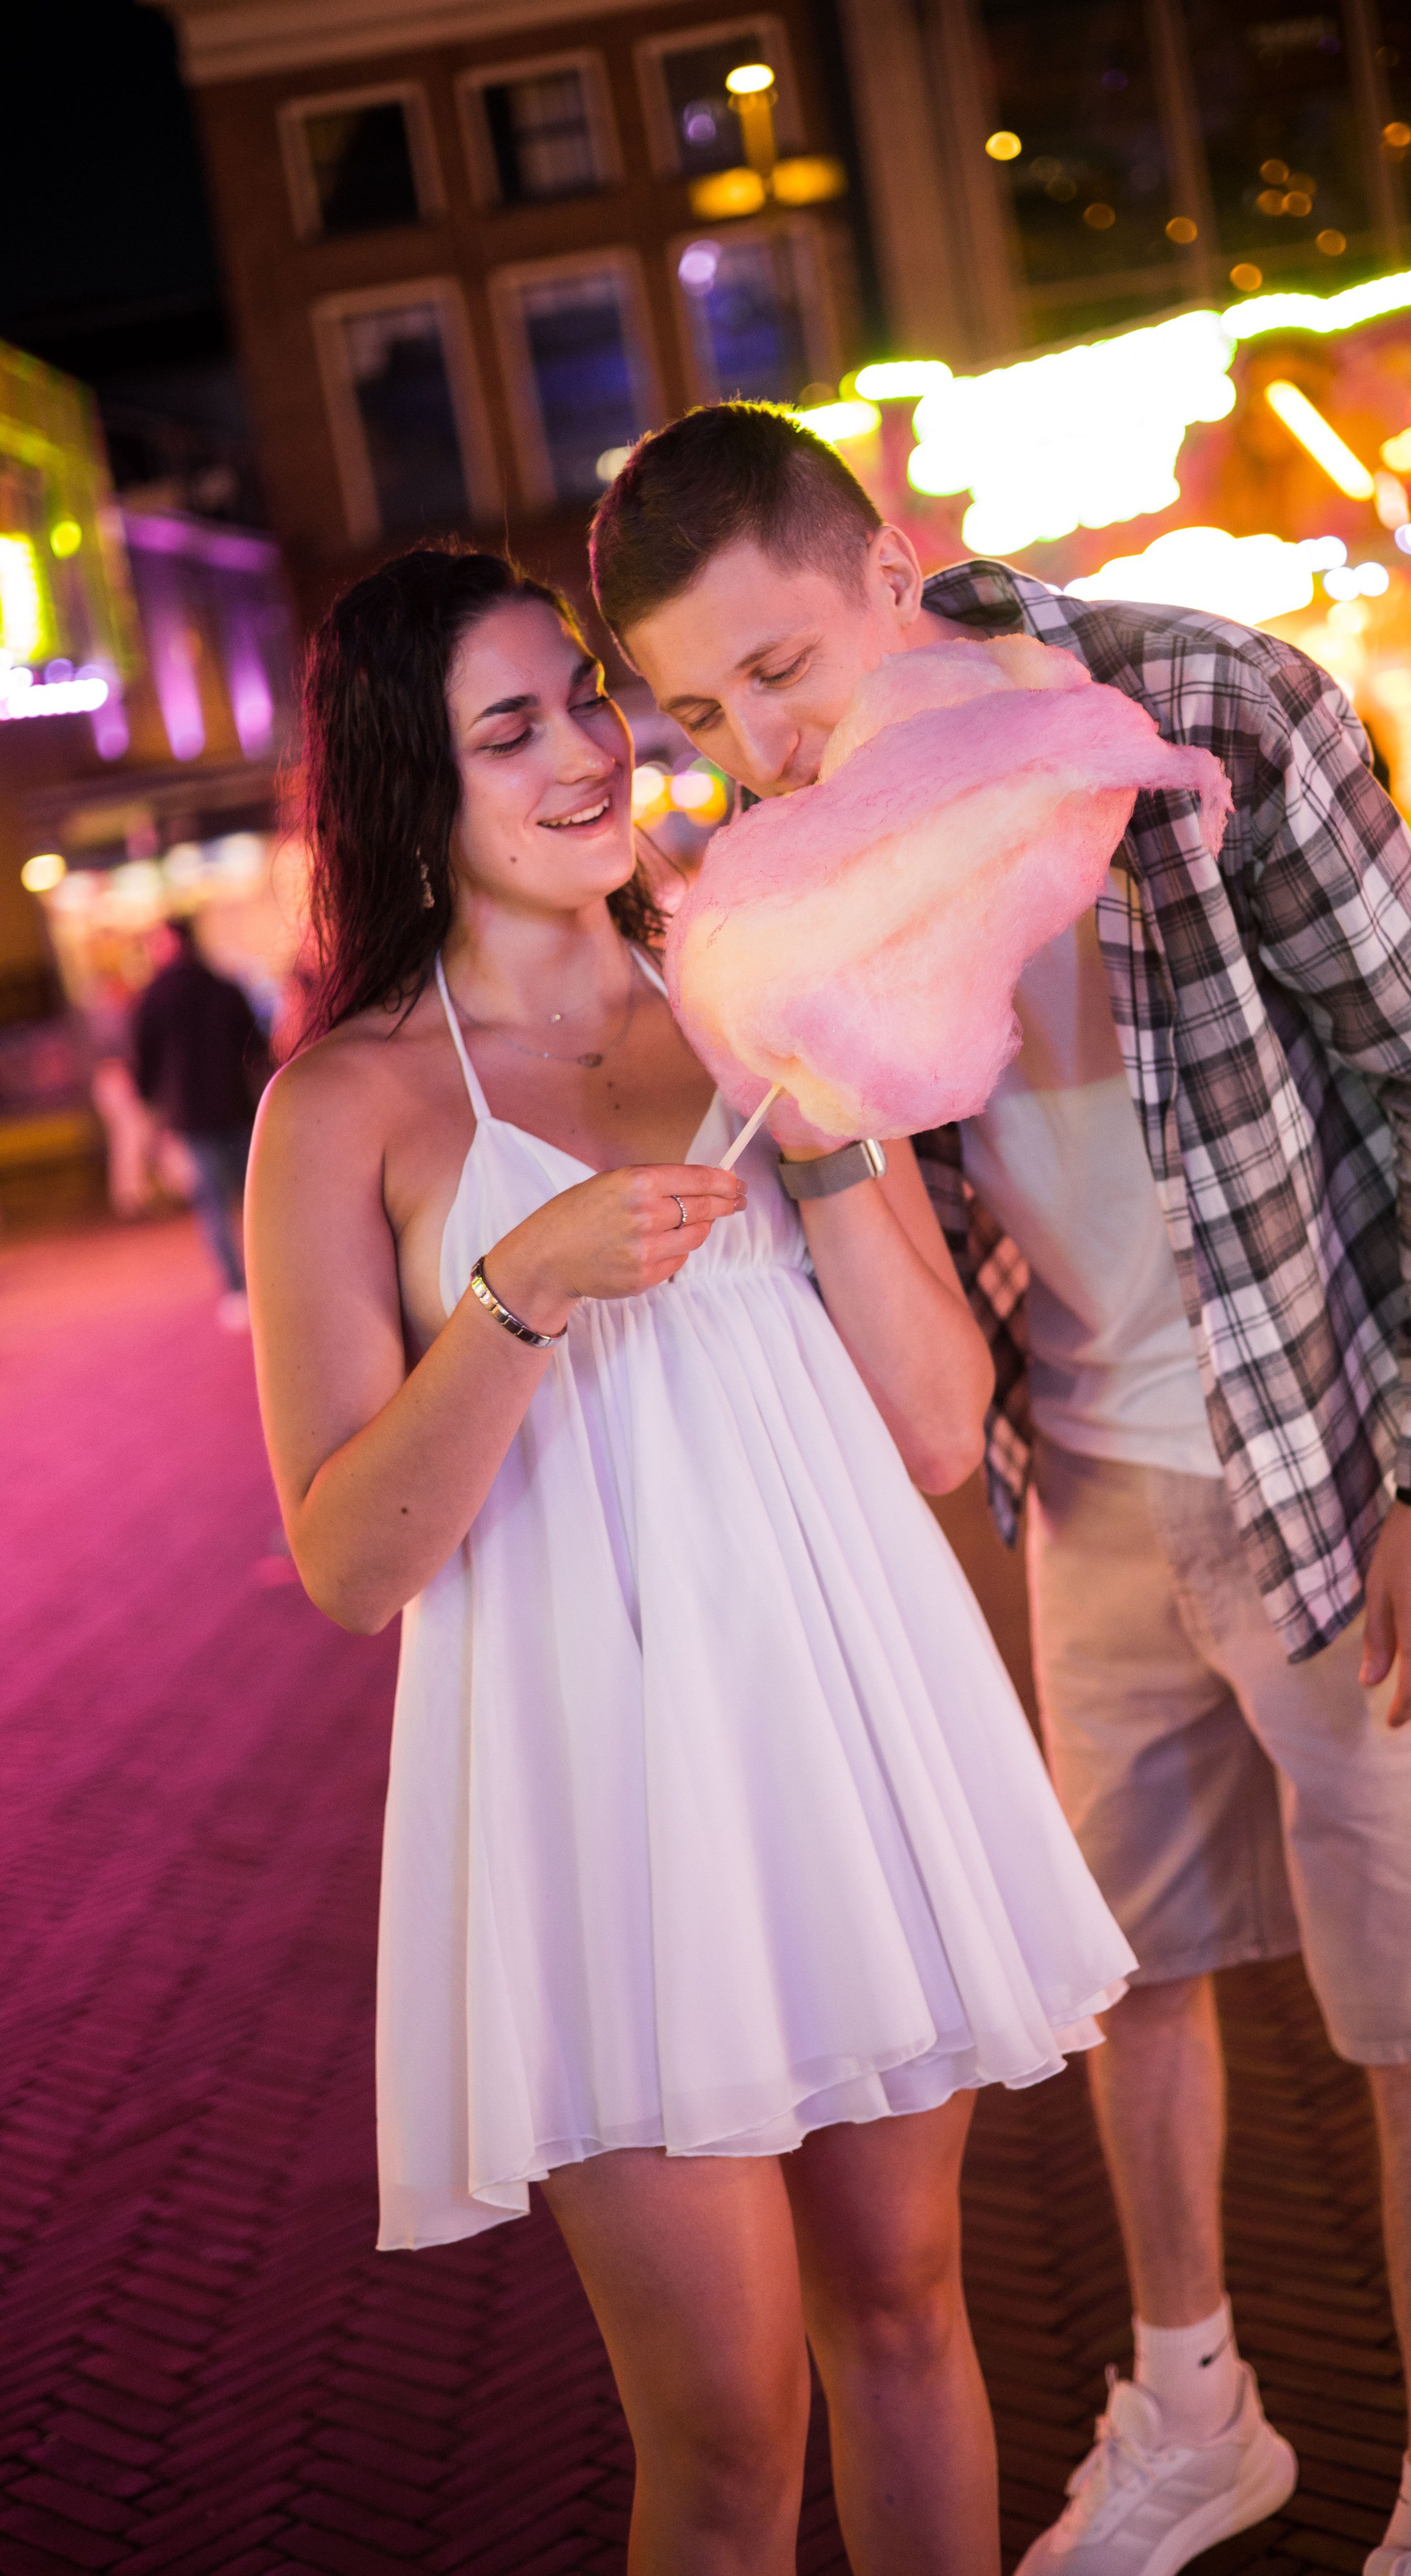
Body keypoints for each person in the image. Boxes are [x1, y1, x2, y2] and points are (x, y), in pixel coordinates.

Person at [592, 402, 1411, 2576]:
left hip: (1334, 1467)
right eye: (697, 713)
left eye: (778, 670)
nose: (757, 745)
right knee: (1130, 1978)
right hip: (1087, 1483)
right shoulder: (783, 872)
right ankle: (1194, 2413)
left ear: (888, 565)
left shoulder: (1196, 703)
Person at [244, 544, 1136, 2576]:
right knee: (726, 2428)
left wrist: (825, 1136)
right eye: (510, 727)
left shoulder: (750, 989)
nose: (587, 748)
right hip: (601, 1794)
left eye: (582, 695)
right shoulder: (346, 1106)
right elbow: (350, 1563)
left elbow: (939, 1424)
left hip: (840, 1718)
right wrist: (521, 1293)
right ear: (408, 782)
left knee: (905, 2312)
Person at [131, 913, 265, 1327]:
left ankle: (237, 1289)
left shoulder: (156, 995)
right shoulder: (223, 986)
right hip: (237, 1105)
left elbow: (145, 1058)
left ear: (171, 944)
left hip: (192, 1113)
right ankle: (271, 1281)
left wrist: (149, 1099)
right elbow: (255, 1044)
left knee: (213, 1205)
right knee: (256, 1199)